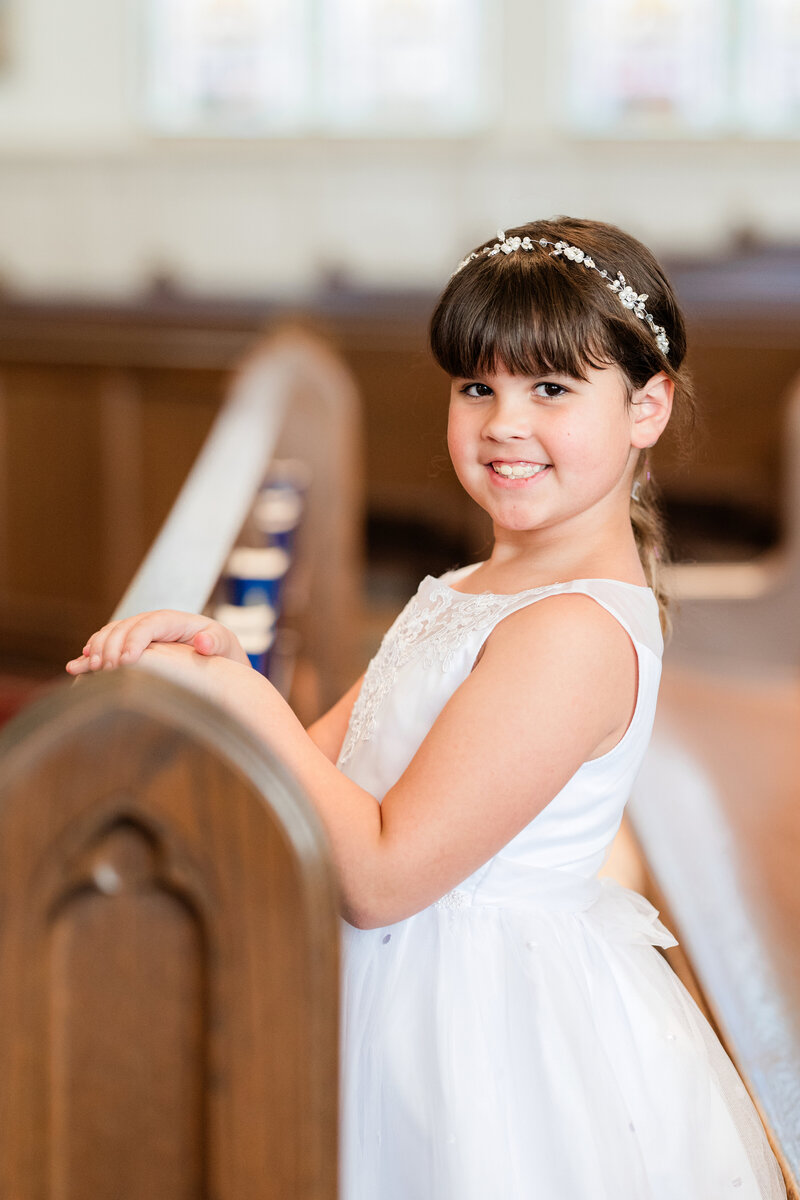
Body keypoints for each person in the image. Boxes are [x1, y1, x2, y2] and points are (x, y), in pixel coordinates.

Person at [67, 217, 787, 1199]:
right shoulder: (468, 585)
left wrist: (241, 691)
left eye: (550, 389)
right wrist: (213, 671)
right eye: (475, 387)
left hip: (473, 1033)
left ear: (646, 406)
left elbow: (379, 878)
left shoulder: (569, 633)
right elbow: (320, 776)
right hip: (399, 982)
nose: (502, 424)